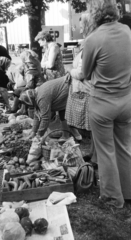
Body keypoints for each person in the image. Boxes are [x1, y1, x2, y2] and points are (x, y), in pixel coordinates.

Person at [82, 0, 131, 208]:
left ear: (94, 14)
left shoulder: (93, 38)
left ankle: (112, 198)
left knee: (106, 152)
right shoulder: (128, 31)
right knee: (125, 147)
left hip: (102, 103)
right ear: (114, 11)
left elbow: (85, 73)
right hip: (127, 100)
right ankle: (128, 193)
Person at [65, 12, 95, 141]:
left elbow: (82, 73)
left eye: (81, 26)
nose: (79, 29)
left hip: (87, 91)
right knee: (92, 128)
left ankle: (96, 157)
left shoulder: (90, 43)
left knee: (93, 128)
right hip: (84, 90)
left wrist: (70, 70)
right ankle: (94, 156)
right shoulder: (88, 44)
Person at [7, 49, 45, 114]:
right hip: (41, 87)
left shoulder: (30, 71)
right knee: (21, 89)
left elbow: (30, 85)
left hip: (38, 89)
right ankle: (22, 109)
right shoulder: (36, 64)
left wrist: (24, 86)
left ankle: (15, 109)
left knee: (18, 91)